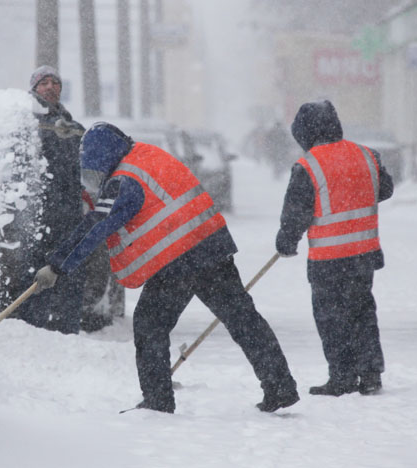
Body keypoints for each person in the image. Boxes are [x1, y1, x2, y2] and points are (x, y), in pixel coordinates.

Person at [33, 122, 300, 413]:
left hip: (177, 259)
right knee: (243, 320)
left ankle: (157, 401)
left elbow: (96, 225)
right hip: (211, 246)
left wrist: (58, 265)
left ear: (103, 156)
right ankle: (280, 386)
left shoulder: (125, 179)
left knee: (150, 326)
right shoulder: (149, 156)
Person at [275, 100, 394, 397]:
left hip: (329, 258)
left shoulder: (309, 164)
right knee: (362, 311)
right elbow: (386, 189)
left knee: (332, 318)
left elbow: (297, 211)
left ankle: (341, 377)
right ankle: (369, 374)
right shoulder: (367, 155)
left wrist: (286, 240)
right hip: (364, 253)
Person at [9, 65, 86, 334]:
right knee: (35, 279)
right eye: (44, 83)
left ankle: (68, 332)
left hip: (71, 218)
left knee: (71, 278)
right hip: (36, 218)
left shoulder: (74, 128)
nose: (50, 87)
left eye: (55, 82)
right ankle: (35, 332)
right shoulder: (24, 124)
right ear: (33, 89)